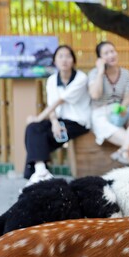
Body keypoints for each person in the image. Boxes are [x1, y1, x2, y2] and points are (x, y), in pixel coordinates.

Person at [23, 45, 91, 185]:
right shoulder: (52, 80)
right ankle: (41, 170)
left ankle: (36, 173)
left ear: (73, 60)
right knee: (33, 129)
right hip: (59, 119)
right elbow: (52, 105)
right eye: (60, 56)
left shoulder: (81, 78)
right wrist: (54, 122)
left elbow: (60, 100)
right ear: (55, 61)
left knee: (40, 138)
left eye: (68, 56)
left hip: (78, 122)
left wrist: (39, 117)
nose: (64, 60)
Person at [88, 41, 129, 167]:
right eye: (106, 53)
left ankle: (123, 151)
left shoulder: (126, 74)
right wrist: (100, 72)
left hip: (121, 112)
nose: (111, 55)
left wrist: (123, 107)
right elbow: (95, 94)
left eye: (112, 51)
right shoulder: (94, 73)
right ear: (100, 58)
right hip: (102, 115)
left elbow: (128, 97)